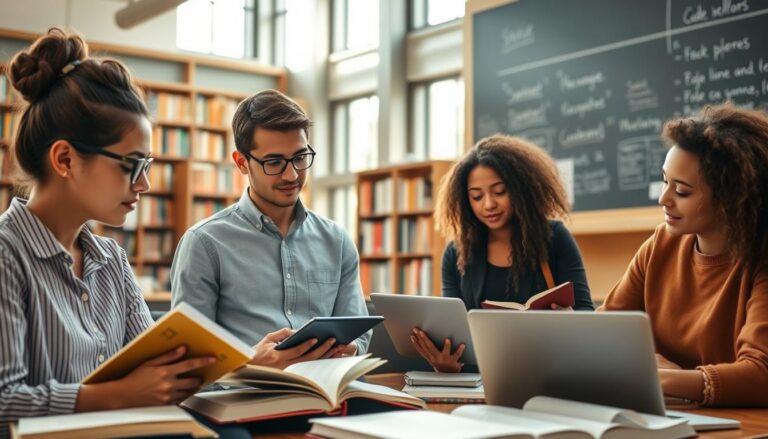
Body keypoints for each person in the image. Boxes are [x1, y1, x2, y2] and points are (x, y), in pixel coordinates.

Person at [0, 28, 216, 437]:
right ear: (65, 159)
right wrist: (118, 395)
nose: (145, 184)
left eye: (147, 165)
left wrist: (251, 363)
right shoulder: (6, 255)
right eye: (131, 165)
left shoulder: (112, 259)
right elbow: (4, 401)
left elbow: (155, 368)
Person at [171, 90, 370, 369]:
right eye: (274, 162)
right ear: (241, 162)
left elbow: (359, 339)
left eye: (300, 158)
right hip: (242, 403)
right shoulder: (204, 244)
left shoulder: (336, 241)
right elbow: (187, 357)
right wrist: (248, 363)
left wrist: (349, 348)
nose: (291, 175)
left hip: (327, 398)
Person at [600, 103, 768, 407]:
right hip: (666, 416)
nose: (664, 199)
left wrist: (663, 377)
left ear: (732, 199)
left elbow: (760, 374)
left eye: (682, 191)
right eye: (665, 181)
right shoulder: (660, 244)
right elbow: (606, 331)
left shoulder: (760, 260)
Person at [411, 134, 594, 373]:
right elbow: (454, 335)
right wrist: (446, 364)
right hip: (481, 381)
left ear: (521, 189)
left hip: (549, 374)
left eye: (499, 191)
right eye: (476, 196)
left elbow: (587, 315)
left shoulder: (555, 238)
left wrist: (571, 321)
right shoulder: (456, 253)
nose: (488, 204)